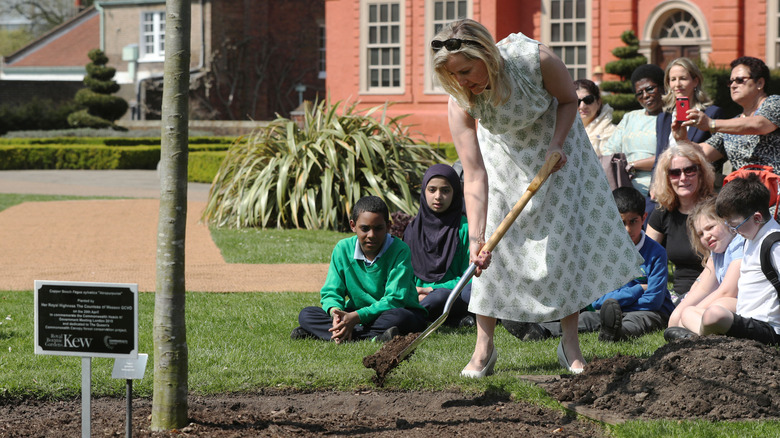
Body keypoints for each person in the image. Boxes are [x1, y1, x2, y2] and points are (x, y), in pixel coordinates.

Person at [431, 19, 642, 376]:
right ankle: (483, 349)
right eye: (454, 76)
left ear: (487, 54)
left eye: (466, 71)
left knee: (560, 246)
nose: (462, 82)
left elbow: (567, 100)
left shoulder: (534, 59)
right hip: (504, 161)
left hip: (557, 153)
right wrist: (477, 239)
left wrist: (557, 144)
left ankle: (570, 346)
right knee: (492, 255)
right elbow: (475, 175)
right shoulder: (460, 100)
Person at [504, 187, 673, 342]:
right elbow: (598, 301)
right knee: (587, 318)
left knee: (638, 320)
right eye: (621, 223)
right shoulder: (604, 251)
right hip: (611, 310)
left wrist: (616, 303)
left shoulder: (657, 253)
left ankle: (617, 332)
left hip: (650, 312)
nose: (628, 229)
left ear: (644, 218)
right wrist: (637, 290)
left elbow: (653, 301)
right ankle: (540, 330)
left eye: (633, 221)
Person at [291, 196, 428, 342]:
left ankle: (329, 333)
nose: (371, 235)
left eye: (378, 228)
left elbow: (395, 300)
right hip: (356, 313)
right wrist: (336, 314)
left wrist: (356, 317)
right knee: (306, 314)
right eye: (365, 228)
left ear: (388, 226)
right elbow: (331, 292)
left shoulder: (400, 250)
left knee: (400, 317)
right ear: (353, 225)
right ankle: (372, 336)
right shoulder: (342, 249)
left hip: (395, 312)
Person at [673, 174, 780, 345]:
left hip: (767, 327)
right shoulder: (751, 238)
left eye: (735, 225)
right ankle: (706, 335)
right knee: (688, 313)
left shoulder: (773, 244)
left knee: (715, 314)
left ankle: (701, 339)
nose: (734, 231)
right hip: (745, 318)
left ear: (757, 218)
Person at [676, 56, 780, 172]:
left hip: (774, 186)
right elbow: (704, 153)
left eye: (740, 80)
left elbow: (759, 124)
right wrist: (682, 140)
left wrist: (711, 123)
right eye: (731, 81)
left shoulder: (775, 103)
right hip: (743, 188)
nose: (733, 85)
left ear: (760, 83)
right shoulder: (732, 125)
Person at [403, 164, 474, 327]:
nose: (438, 196)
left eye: (445, 190)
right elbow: (404, 274)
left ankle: (416, 315)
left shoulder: (465, 229)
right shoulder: (412, 230)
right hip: (417, 295)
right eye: (432, 189)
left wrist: (431, 290)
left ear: (455, 192)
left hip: (453, 295)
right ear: (424, 191)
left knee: (441, 298)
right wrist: (414, 291)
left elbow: (468, 278)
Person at [664, 197, 744, 340]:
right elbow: (703, 288)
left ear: (727, 221)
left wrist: (693, 311)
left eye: (710, 227)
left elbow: (728, 291)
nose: (706, 236)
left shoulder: (738, 243)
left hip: (748, 304)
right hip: (731, 308)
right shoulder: (717, 251)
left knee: (716, 305)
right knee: (686, 315)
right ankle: (701, 335)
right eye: (701, 234)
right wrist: (677, 315)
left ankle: (703, 337)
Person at [647, 143, 715, 301]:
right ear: (667, 178)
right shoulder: (663, 212)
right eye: (675, 173)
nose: (683, 178)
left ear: (700, 172)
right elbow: (645, 259)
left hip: (711, 292)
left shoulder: (716, 210)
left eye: (689, 170)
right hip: (676, 295)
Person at [602, 63, 665, 202]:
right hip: (625, 188)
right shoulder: (629, 118)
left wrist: (634, 165)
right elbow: (609, 152)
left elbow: (670, 157)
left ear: (662, 87)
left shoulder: (670, 118)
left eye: (650, 89)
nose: (645, 96)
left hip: (657, 189)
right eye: (639, 93)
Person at [655, 58, 724, 170]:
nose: (677, 84)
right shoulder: (663, 118)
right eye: (673, 79)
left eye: (683, 78)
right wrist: (654, 186)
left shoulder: (711, 114)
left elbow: (716, 157)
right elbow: (658, 161)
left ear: (695, 81)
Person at [574, 78, 616, 155]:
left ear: (598, 102)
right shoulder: (563, 131)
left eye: (588, 100)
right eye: (577, 101)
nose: (582, 106)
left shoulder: (612, 133)